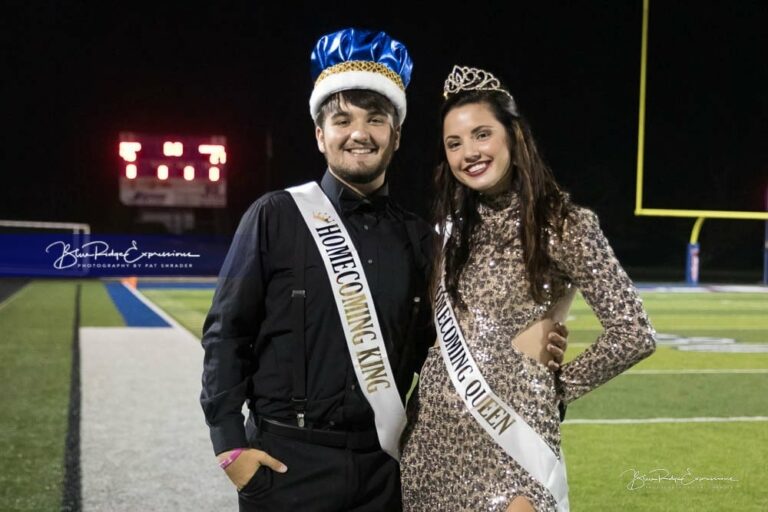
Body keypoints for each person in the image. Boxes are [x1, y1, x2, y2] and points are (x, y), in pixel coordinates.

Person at [200, 28, 568, 511]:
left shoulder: (420, 239)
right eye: (342, 119)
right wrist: (231, 448)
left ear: (395, 136)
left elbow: (444, 357)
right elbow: (227, 334)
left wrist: (526, 350)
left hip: (386, 470)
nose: (359, 133)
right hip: (287, 466)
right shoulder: (275, 216)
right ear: (319, 133)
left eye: (376, 119)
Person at [400, 65, 657, 512]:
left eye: (482, 135)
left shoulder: (565, 224)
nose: (469, 153)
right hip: (429, 446)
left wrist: (552, 384)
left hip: (514, 446)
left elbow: (634, 333)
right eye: (454, 143)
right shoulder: (450, 232)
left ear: (513, 137)